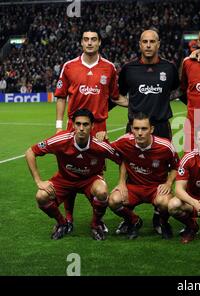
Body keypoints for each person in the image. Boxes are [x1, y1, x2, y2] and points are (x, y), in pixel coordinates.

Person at [54, 29, 120, 231]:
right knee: (69, 173)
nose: (89, 43)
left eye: (93, 39)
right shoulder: (69, 66)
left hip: (99, 129)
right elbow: (61, 96)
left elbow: (116, 97)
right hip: (73, 128)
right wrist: (58, 127)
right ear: (81, 43)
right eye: (86, 39)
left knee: (96, 174)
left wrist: (144, 104)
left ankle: (96, 221)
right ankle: (69, 219)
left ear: (99, 42)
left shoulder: (109, 68)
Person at [117, 29, 180, 234]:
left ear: (158, 44)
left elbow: (177, 89)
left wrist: (162, 102)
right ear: (140, 44)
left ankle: (159, 215)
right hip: (136, 127)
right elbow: (118, 93)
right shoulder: (128, 69)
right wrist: (133, 105)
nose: (148, 45)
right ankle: (129, 217)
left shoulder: (169, 68)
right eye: (145, 41)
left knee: (162, 169)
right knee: (130, 167)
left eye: (152, 41)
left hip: (161, 125)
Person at [25, 108, 121, 240]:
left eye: (86, 124)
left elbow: (122, 160)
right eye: (78, 124)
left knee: (102, 191)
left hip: (90, 180)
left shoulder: (100, 145)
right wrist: (39, 181)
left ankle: (95, 224)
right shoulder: (61, 140)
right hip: (64, 179)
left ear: (92, 126)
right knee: (41, 196)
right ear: (73, 125)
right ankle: (62, 223)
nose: (81, 128)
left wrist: (122, 184)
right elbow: (30, 152)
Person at [109, 112, 179, 239]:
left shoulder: (165, 146)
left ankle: (161, 222)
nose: (140, 133)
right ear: (131, 129)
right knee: (114, 200)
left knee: (164, 202)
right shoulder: (124, 141)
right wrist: (121, 182)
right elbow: (117, 155)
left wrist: (168, 183)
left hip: (156, 188)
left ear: (151, 129)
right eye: (136, 128)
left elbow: (176, 167)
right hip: (133, 187)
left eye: (144, 128)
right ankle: (133, 220)